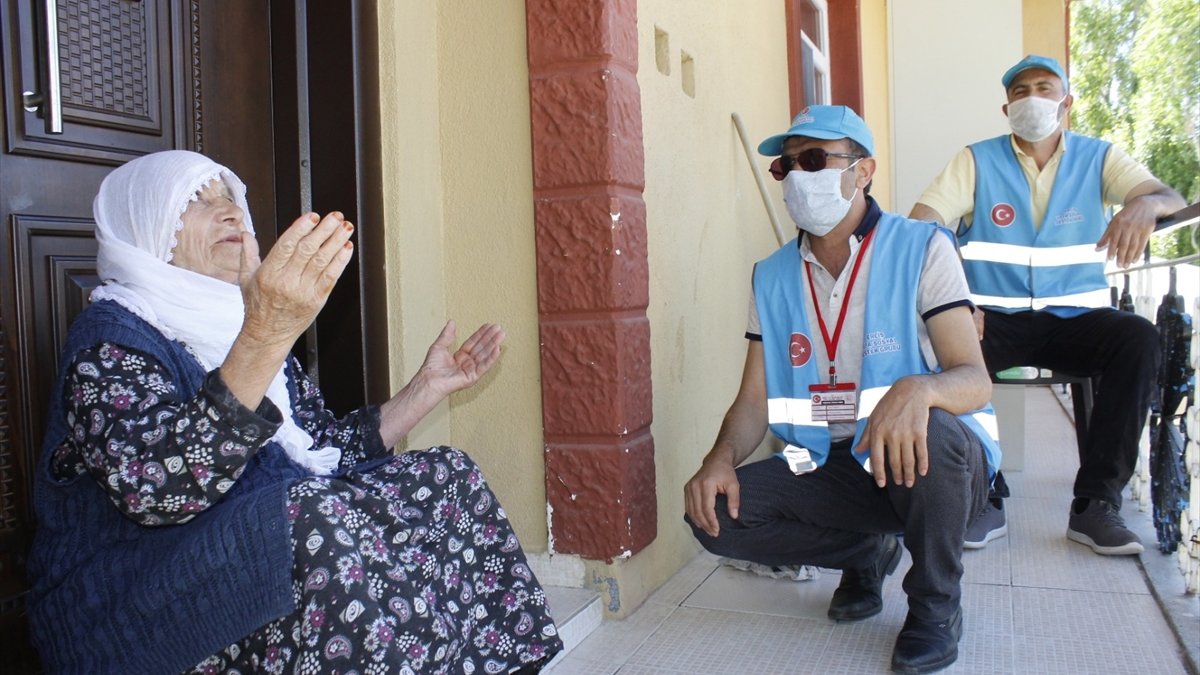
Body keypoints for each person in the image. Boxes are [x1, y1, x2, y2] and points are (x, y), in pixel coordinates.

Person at [26, 150, 562, 674]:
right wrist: (266, 332)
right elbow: (157, 490)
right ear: (144, 226)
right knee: (312, 514)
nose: (230, 211)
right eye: (196, 200)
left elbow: (323, 451)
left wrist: (424, 389)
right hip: (133, 598)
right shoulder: (110, 339)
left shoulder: (239, 324)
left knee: (444, 474)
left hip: (238, 553)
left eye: (230, 197)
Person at [683, 105, 1001, 674]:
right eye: (786, 166)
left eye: (813, 159)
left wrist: (919, 389)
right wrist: (719, 458)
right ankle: (867, 551)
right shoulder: (771, 274)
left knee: (930, 426)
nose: (797, 176)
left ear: (864, 171)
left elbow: (974, 379)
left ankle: (935, 607)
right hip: (828, 462)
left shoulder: (923, 247)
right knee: (717, 513)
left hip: (929, 463)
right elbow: (754, 400)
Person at [910, 54, 1187, 555]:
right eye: (1020, 91)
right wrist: (956, 303)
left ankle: (1096, 506)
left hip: (1076, 322)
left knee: (1139, 340)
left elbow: (1169, 195)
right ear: (1006, 108)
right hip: (991, 320)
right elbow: (923, 225)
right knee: (933, 350)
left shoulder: (1098, 158)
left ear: (1066, 102)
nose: (1032, 98)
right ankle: (984, 493)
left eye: (1044, 88)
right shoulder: (976, 160)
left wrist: (1144, 204)